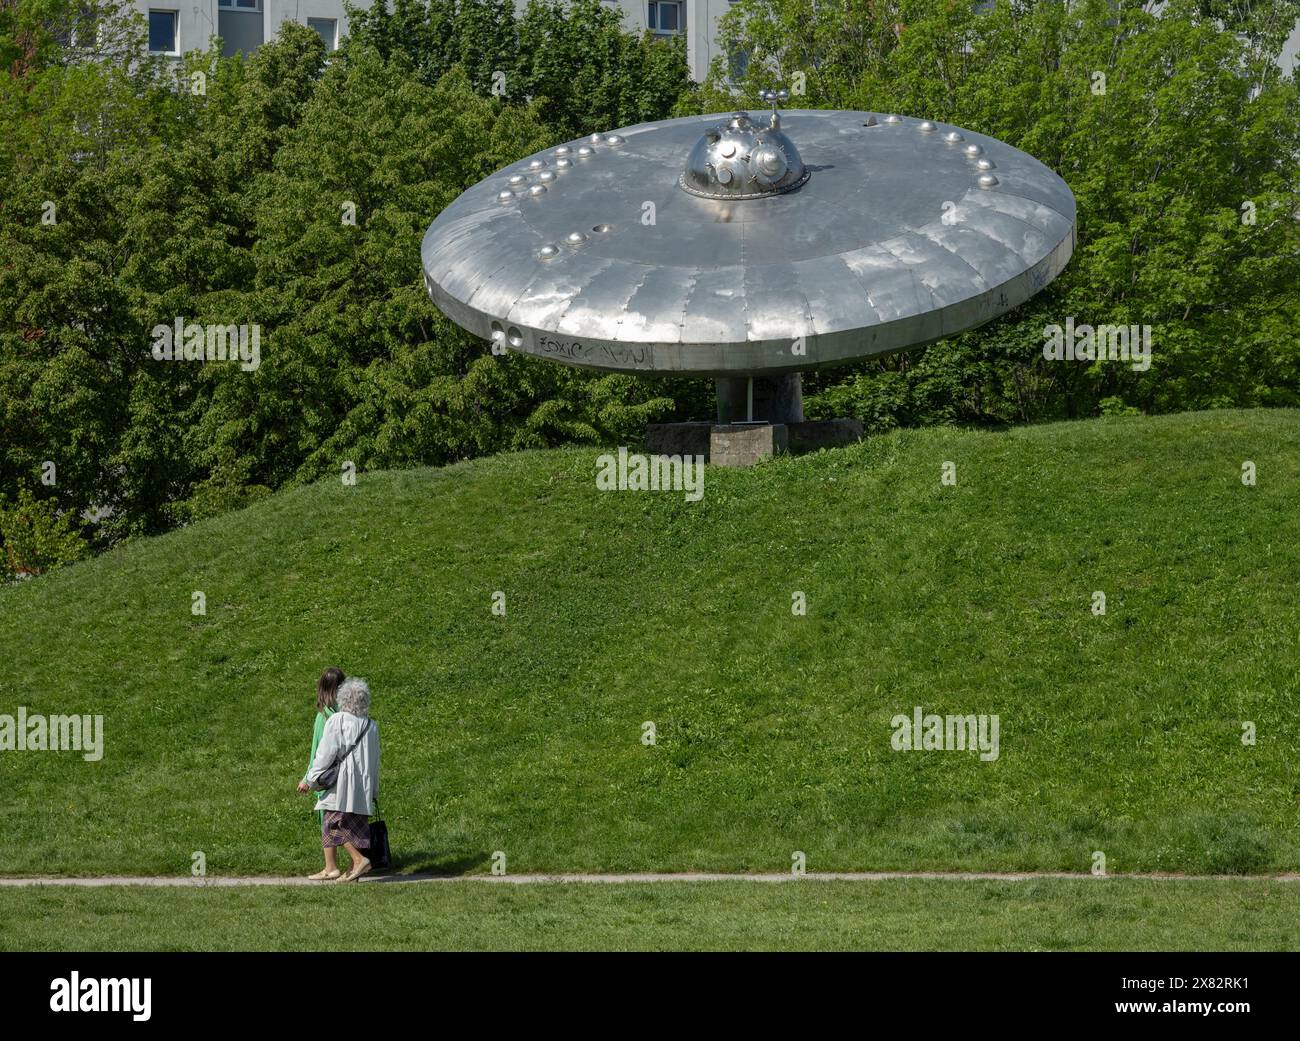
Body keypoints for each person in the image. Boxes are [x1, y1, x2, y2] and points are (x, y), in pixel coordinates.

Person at [302, 677, 381, 883]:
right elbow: (375, 760)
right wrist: (374, 790)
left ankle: (358, 859)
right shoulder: (371, 726)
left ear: (343, 699)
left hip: (342, 783)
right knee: (356, 828)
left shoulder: (338, 720)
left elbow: (325, 753)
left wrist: (311, 779)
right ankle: (353, 873)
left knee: (332, 824)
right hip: (363, 784)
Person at [296, 667, 343, 880]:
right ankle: (353, 864)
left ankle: (330, 867)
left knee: (327, 820)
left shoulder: (324, 716)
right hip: (347, 774)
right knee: (347, 819)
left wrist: (308, 779)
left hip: (327, 777)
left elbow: (317, 751)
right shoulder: (349, 715)